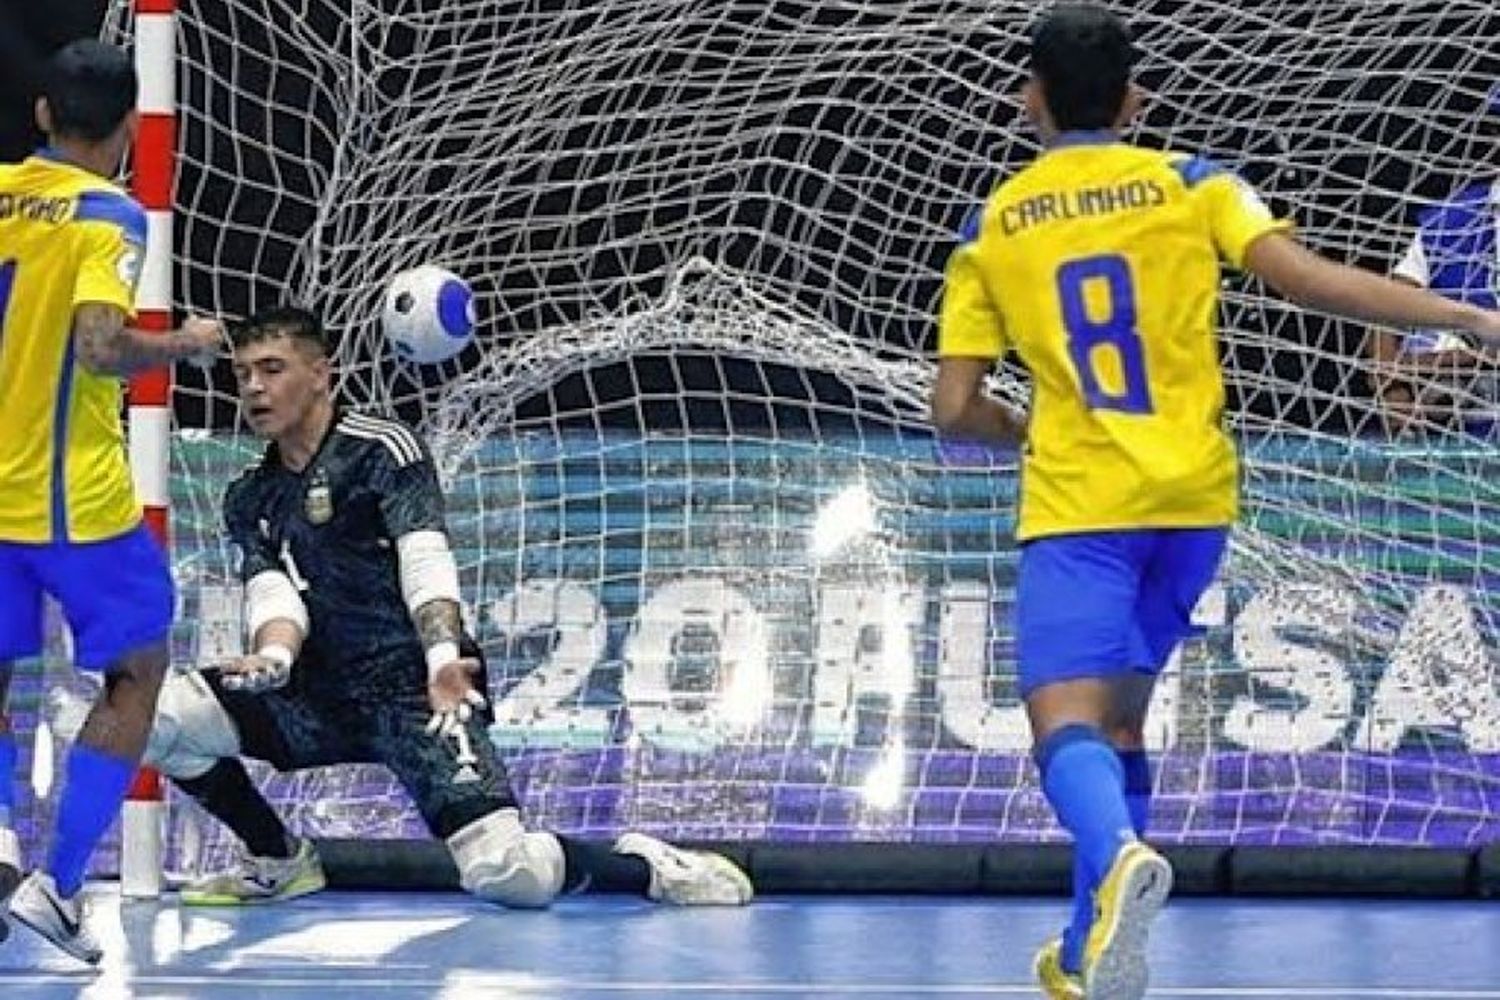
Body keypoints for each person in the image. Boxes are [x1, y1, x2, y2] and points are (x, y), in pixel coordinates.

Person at [928, 7, 1500, 999]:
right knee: (1121, 729)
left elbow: (953, 407)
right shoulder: (1193, 184)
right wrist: (1461, 315)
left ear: (1030, 97)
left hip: (1081, 508)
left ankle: (1115, 857)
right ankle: (1081, 951)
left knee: (1063, 725)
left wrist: (1019, 429)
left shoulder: (994, 225)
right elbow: (1313, 283)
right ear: (1136, 100)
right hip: (1194, 503)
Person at [142, 305, 754, 911]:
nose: (252, 388)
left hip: (417, 692)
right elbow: (272, 589)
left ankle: (645, 867)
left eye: (271, 369)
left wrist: (442, 658)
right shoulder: (250, 493)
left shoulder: (384, 450)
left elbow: (425, 559)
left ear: (321, 373)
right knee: (149, 717)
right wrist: (274, 655)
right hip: (315, 690)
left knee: (512, 876)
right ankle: (276, 856)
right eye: (243, 374)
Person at [0, 40, 221, 964]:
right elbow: (97, 348)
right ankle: (53, 884)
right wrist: (186, 343)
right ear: (132, 126)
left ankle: (3, 853)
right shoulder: (111, 215)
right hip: (68, 498)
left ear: (44, 116)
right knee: (139, 667)